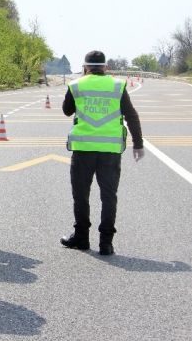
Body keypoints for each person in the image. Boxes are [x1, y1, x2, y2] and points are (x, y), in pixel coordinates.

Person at [60, 50, 144, 255]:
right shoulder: (117, 85)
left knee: (81, 195)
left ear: (85, 66)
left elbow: (67, 110)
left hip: (83, 149)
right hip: (110, 150)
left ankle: (81, 237)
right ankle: (106, 243)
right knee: (109, 196)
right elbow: (131, 115)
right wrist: (138, 144)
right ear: (105, 67)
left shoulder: (77, 85)